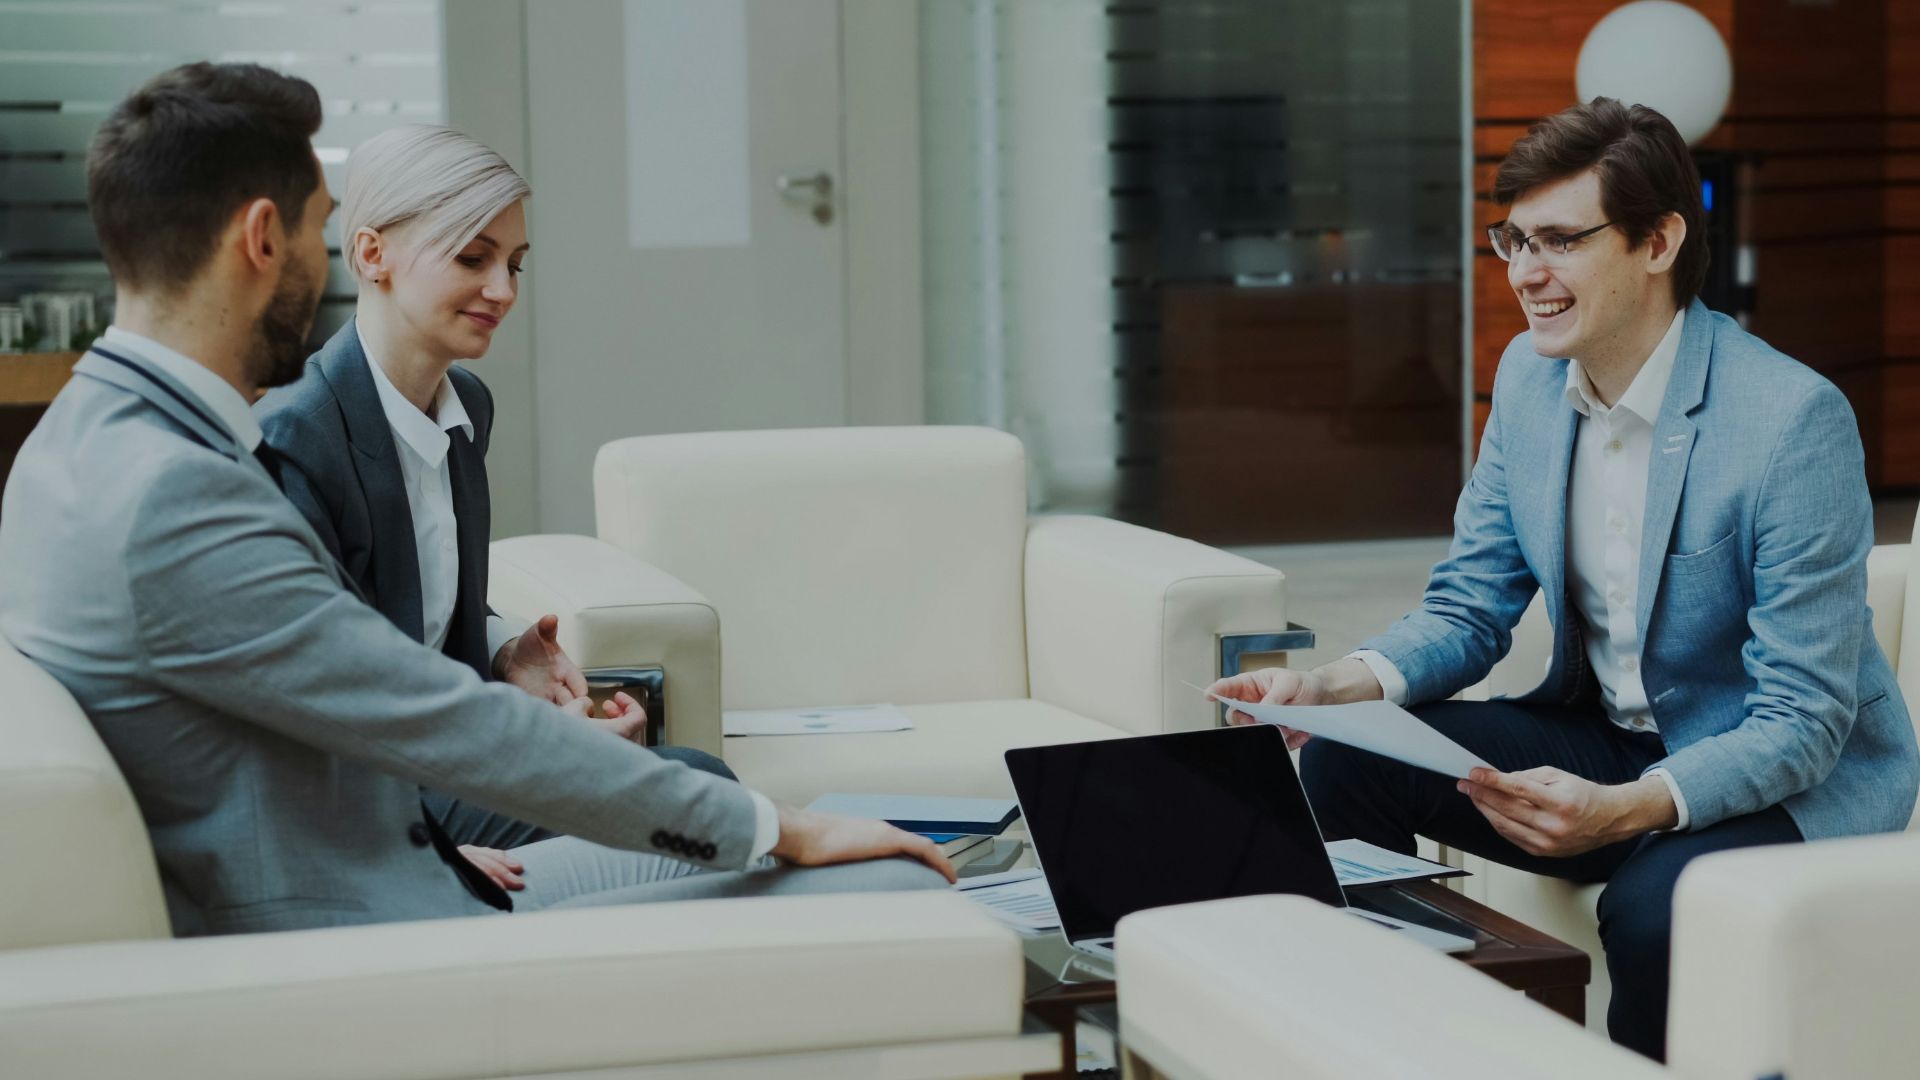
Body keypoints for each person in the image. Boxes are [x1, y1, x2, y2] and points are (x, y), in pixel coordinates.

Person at [0, 61, 949, 938]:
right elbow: (431, 716)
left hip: (360, 864)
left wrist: (498, 650)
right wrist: (782, 828)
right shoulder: (179, 495)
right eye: (315, 230)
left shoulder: (75, 445)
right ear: (261, 237)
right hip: (367, 923)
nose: (322, 262)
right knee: (892, 885)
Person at [1209, 97, 1918, 1061]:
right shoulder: (1533, 381)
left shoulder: (1791, 421)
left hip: (1782, 779)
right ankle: (1401, 1041)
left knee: (1655, 907)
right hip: (1612, 732)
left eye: (1559, 241)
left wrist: (1625, 810)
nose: (1526, 275)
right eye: (1512, 240)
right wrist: (1332, 689)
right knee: (1349, 759)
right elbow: (1471, 603)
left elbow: (1802, 719)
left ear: (1658, 240)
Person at [256, 125, 733, 896]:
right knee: (704, 795)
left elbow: (415, 605)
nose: (503, 292)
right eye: (472, 259)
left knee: (695, 789)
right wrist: (409, 843)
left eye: (513, 265)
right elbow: (299, 698)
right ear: (372, 254)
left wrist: (503, 651)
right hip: (382, 792)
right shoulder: (296, 441)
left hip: (449, 756)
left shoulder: (465, 407)